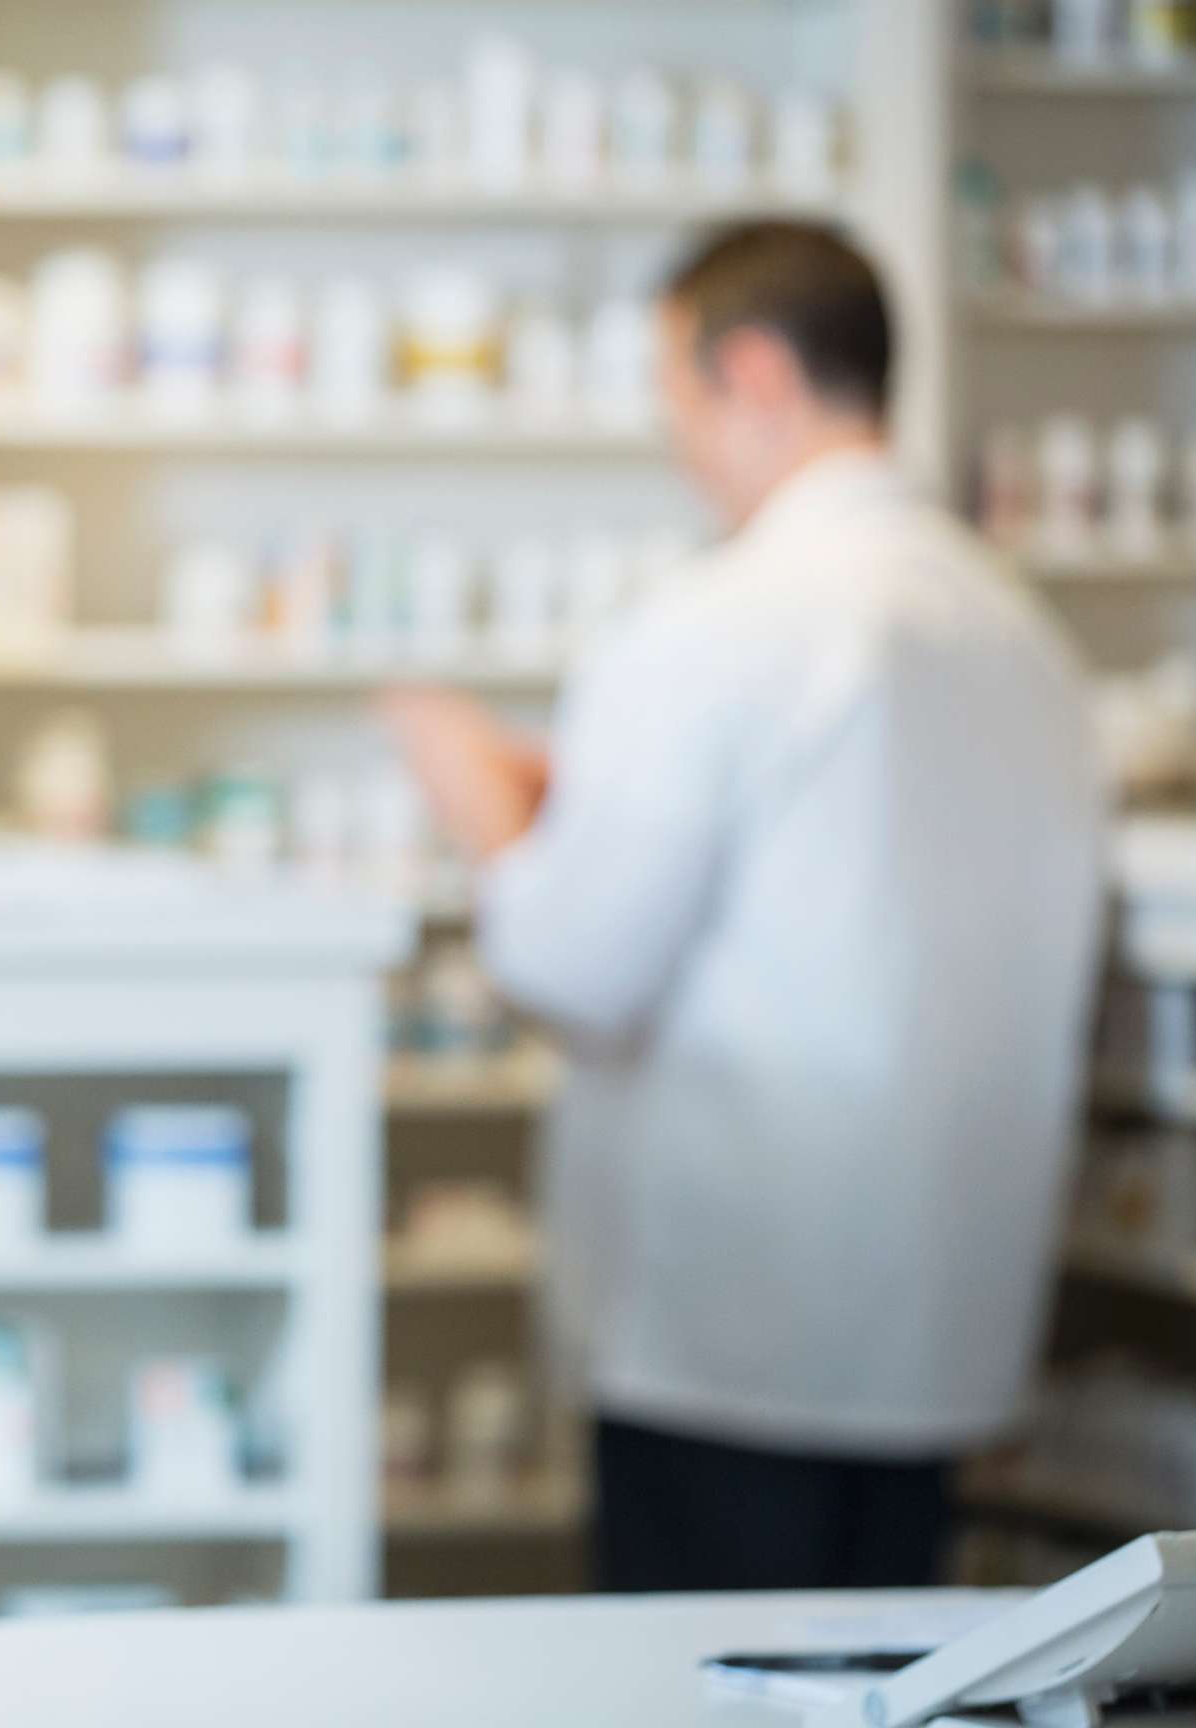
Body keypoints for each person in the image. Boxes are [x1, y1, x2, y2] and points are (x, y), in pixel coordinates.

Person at [386, 223, 1107, 1593]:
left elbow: (572, 964)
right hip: (938, 1332)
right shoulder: (1015, 627)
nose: (677, 440)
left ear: (756, 373)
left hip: (732, 1341)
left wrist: (482, 800)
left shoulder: (726, 619)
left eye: (674, 394)